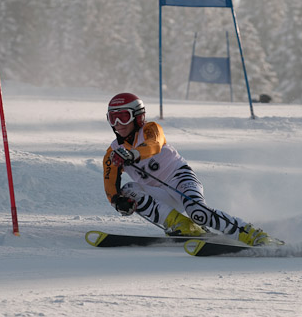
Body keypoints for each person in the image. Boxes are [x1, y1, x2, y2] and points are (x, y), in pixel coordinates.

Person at [102, 92, 272, 246]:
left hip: (179, 178)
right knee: (127, 191)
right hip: (157, 192)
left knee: (198, 212)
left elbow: (154, 145)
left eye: (123, 117)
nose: (118, 124)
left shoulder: (150, 129)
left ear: (138, 117)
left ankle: (251, 234)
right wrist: (117, 201)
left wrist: (133, 154)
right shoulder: (113, 152)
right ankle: (183, 226)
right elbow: (110, 183)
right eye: (113, 118)